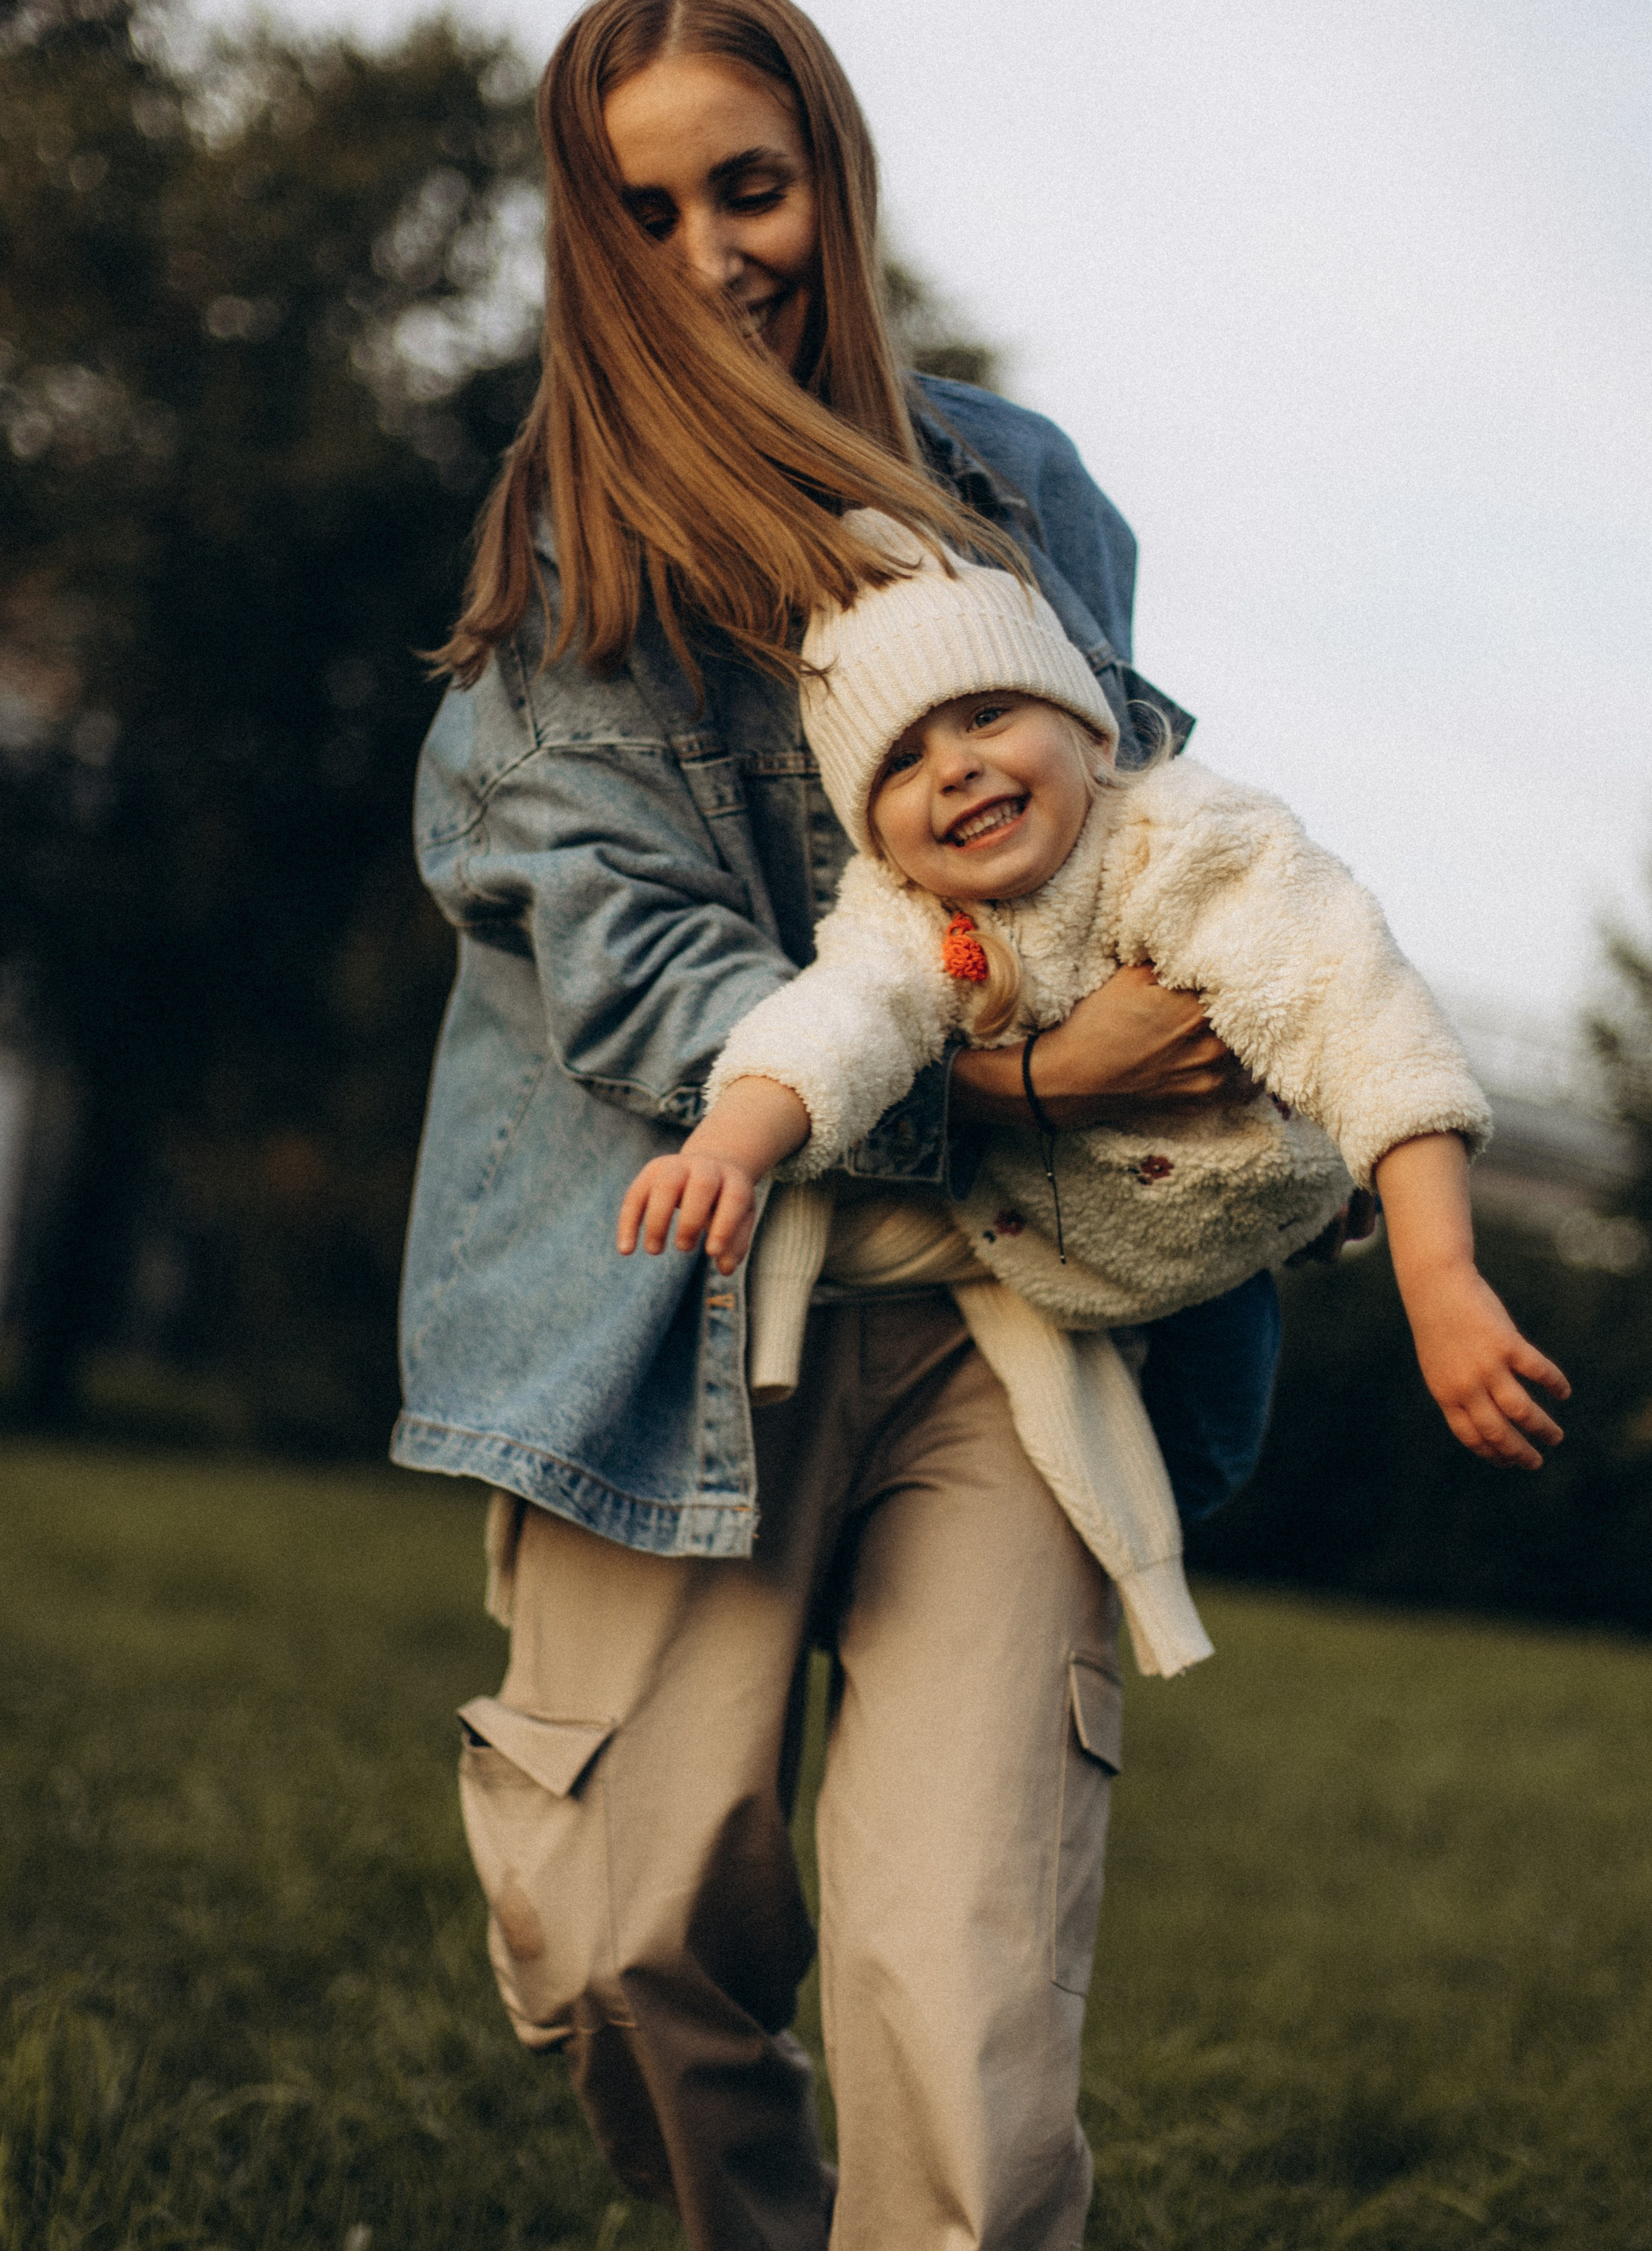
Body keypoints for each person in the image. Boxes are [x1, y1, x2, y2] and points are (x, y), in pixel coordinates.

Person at [393, 0, 1553, 2248]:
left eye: (756, 183)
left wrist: (1295, 1139)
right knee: (626, 1940)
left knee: (967, 1984)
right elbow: (635, 967)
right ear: (582, 233)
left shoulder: (1020, 490)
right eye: (650, 209)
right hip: (684, 1305)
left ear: (832, 174)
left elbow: (1148, 844)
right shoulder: (566, 551)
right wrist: (1017, 1075)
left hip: (1024, 1340)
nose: (716, 249)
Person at [616, 527, 1568, 1684]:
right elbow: (836, 1027)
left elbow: (1360, 1016)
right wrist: (731, 1146)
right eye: (902, 762)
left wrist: (1442, 1280)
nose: (955, 768)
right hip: (1060, 1262)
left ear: (1089, 728)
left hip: (1236, 1241)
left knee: (1199, 1465)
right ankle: (901, 1607)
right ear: (877, 832)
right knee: (1072, 1503)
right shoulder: (905, 919)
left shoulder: (1189, 842)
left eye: (983, 715)